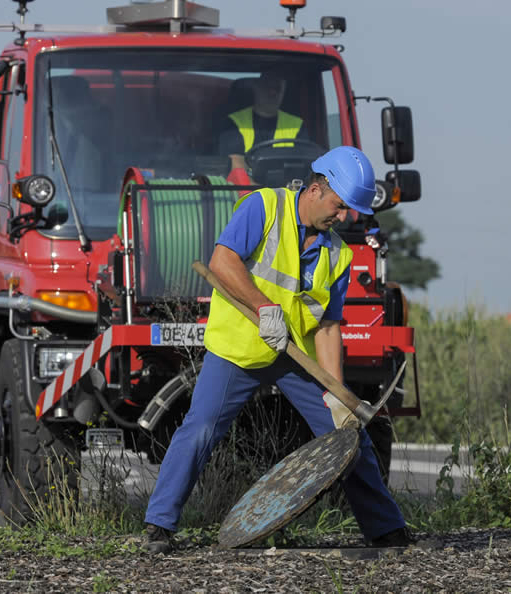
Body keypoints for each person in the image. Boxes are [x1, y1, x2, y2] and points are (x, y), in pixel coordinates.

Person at [143, 146, 412, 554]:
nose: (342, 218)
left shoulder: (337, 254)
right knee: (200, 429)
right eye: (339, 207)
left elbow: (326, 326)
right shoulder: (263, 208)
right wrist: (264, 307)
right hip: (239, 348)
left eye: (348, 212)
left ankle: (386, 529)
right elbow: (222, 261)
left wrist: (337, 394)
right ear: (317, 189)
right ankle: (159, 526)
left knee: (348, 435)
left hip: (292, 357)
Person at [217, 71, 307, 174]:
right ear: (256, 88)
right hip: (247, 189)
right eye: (267, 87)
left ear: (284, 90)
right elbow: (236, 168)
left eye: (277, 88)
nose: (272, 93)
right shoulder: (233, 122)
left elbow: (303, 168)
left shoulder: (297, 125)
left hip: (289, 189)